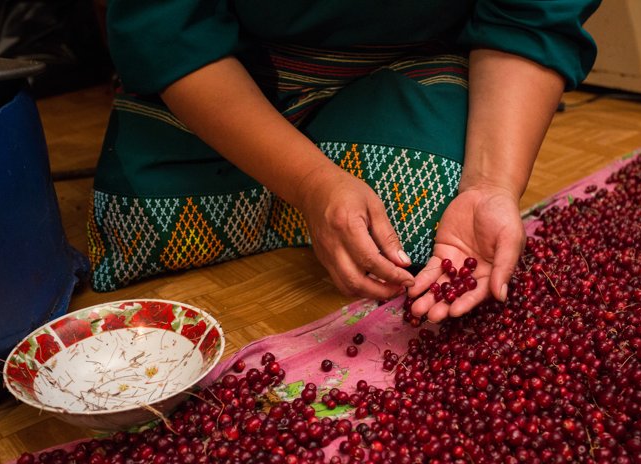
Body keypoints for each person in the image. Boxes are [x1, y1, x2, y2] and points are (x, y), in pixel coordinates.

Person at [89, 1, 599, 323]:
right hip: (228, 70)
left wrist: (491, 184)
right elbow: (165, 27)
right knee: (145, 224)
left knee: (435, 239)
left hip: (402, 66)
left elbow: (529, 17)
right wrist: (313, 183)